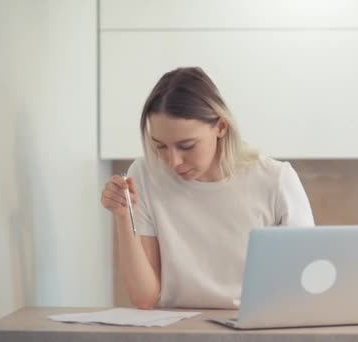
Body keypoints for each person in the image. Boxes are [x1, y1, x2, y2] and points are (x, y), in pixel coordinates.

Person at [100, 67, 315, 310]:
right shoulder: (145, 175)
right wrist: (122, 217)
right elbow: (145, 298)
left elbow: (304, 283)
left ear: (221, 127)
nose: (173, 161)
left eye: (187, 146)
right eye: (160, 146)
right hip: (176, 331)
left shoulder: (275, 179)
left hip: (253, 328)